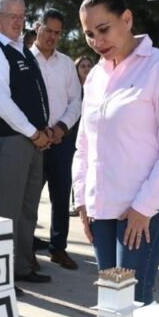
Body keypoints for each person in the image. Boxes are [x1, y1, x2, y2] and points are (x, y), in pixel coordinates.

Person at [74, 0, 159, 305]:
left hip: (146, 207)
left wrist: (143, 207)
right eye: (89, 34)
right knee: (111, 301)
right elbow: (84, 144)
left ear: (127, 19)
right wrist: (81, 199)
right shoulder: (95, 77)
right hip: (101, 208)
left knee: (133, 302)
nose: (97, 41)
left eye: (103, 29)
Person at [0, 0, 53, 288]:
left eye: (22, 17)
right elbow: (2, 104)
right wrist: (34, 133)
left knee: (27, 211)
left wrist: (41, 133)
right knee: (7, 214)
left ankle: (21, 267)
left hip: (32, 141)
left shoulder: (20, 49)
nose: (18, 23)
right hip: (11, 142)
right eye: (12, 17)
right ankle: (0, 279)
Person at [31, 9, 82, 270]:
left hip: (61, 141)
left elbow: (76, 101)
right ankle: (27, 249)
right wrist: (38, 132)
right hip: (32, 141)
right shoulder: (24, 60)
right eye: (48, 30)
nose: (52, 36)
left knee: (61, 196)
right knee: (28, 198)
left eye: (57, 33)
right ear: (37, 27)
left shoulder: (66, 64)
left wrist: (60, 128)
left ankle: (58, 248)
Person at [69, 55, 94, 218]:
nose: (86, 69)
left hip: (91, 133)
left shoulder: (97, 86)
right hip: (74, 132)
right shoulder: (73, 89)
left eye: (89, 65)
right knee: (77, 167)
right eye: (82, 66)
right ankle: (76, 202)